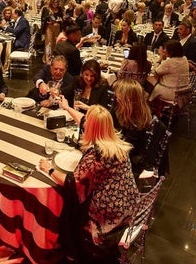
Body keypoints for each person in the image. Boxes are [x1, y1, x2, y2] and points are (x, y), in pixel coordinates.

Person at [38, 104, 139, 264]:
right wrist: (66, 107)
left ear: (91, 128)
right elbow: (83, 120)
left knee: (69, 205)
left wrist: (49, 169)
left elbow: (73, 184)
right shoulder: (116, 142)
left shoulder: (98, 154)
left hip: (107, 220)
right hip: (128, 208)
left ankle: (69, 251)